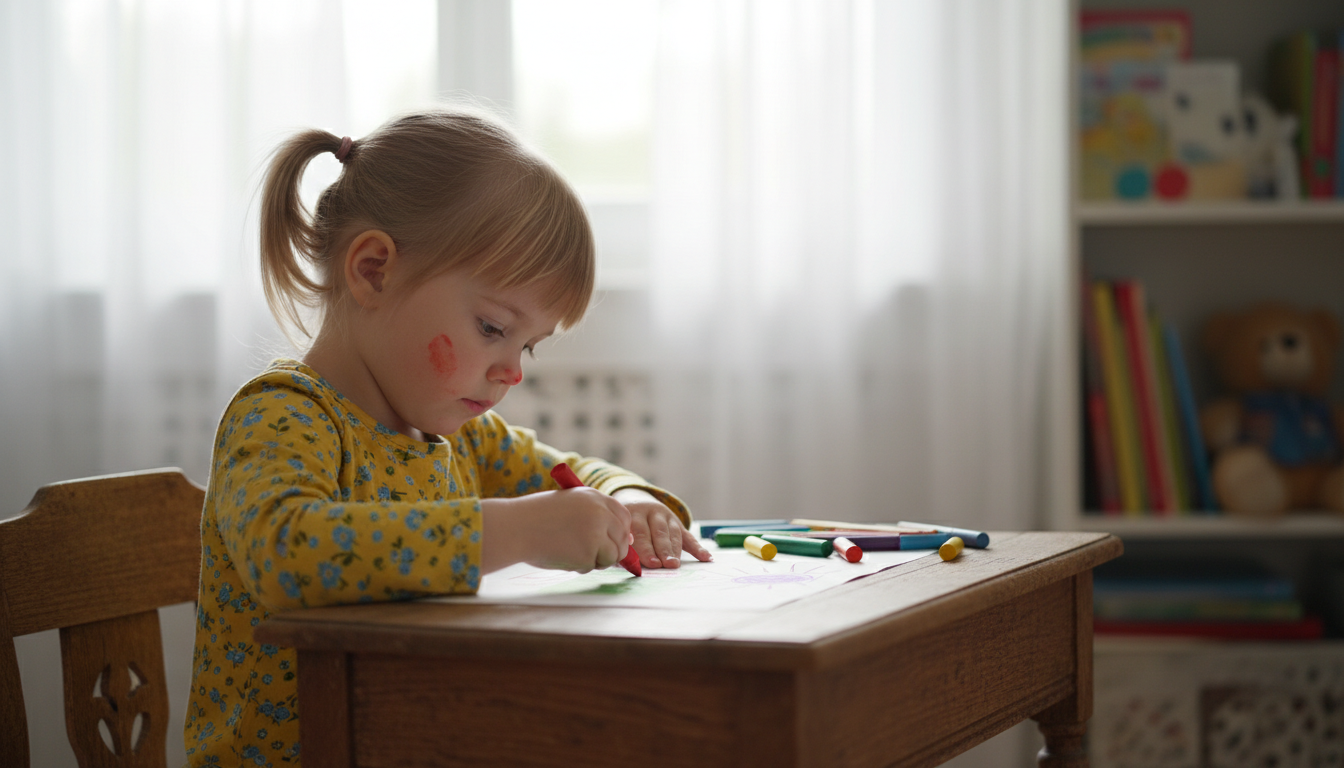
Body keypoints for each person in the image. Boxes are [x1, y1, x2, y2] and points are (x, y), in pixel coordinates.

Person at [184, 109, 712, 767]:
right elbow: (290, 556)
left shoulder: (457, 438)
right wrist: (520, 532)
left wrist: (627, 496)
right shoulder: (281, 418)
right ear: (374, 270)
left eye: (529, 347)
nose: (511, 371)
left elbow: (566, 473)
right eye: (493, 328)